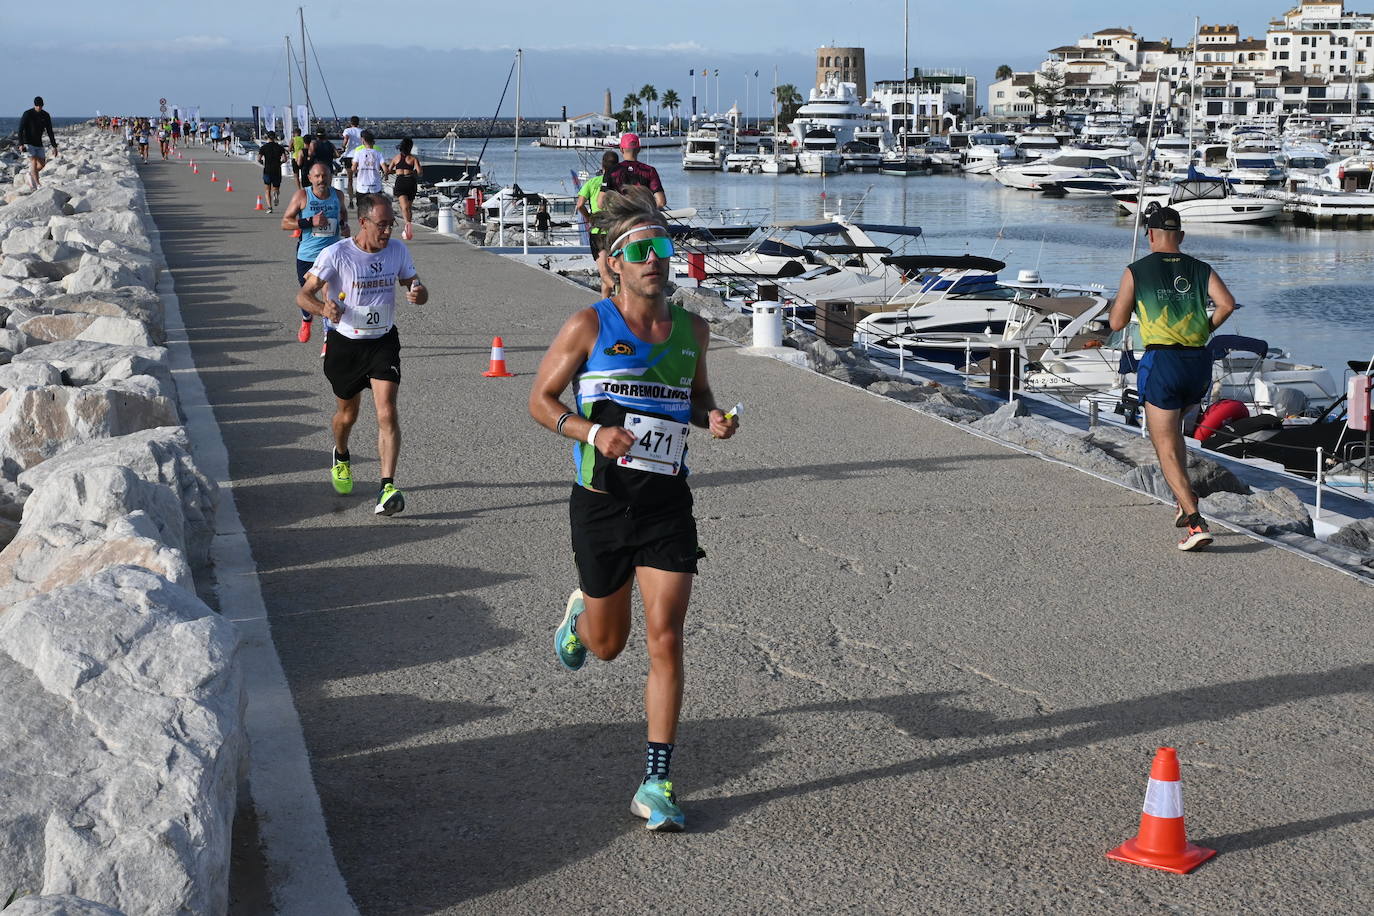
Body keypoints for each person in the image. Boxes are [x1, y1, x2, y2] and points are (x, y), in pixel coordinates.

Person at [527, 187, 739, 832]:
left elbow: (698, 396)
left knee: (666, 638)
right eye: (641, 249)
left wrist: (714, 420)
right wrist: (591, 433)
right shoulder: (588, 326)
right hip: (600, 503)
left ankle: (656, 781)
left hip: (667, 503)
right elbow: (540, 399)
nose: (657, 259)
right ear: (613, 265)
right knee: (609, 645)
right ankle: (581, 615)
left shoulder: (693, 330)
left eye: (664, 246)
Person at [1109, 205, 1236, 551]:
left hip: (1162, 360)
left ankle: (1195, 521)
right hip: (1198, 362)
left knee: (1163, 445)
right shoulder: (1200, 268)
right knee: (1175, 433)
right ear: (1180, 236)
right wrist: (1201, 329)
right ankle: (1183, 500)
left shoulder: (1137, 270)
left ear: (1150, 235)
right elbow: (1226, 304)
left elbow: (1117, 323)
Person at [296, 193, 427, 516]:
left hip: (382, 341)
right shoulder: (336, 254)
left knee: (387, 411)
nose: (387, 232)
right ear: (363, 222)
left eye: (391, 225)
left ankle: (387, 487)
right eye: (381, 225)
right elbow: (303, 295)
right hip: (346, 344)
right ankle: (341, 454)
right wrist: (323, 309)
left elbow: (414, 285)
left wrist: (419, 293)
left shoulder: (397, 250)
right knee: (347, 415)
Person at [282, 161, 351, 345]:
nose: (321, 179)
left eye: (325, 175)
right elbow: (285, 223)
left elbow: (343, 214)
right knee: (308, 296)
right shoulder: (302, 195)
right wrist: (309, 221)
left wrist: (344, 226)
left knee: (329, 295)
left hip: (332, 255)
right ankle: (306, 320)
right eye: (318, 176)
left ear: (330, 177)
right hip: (307, 256)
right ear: (310, 178)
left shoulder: (338, 195)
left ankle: (328, 338)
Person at [575, 150, 619, 299]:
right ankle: (604, 304)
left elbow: (580, 204)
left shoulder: (592, 183)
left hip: (598, 231)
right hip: (617, 230)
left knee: (605, 273)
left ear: (602, 165)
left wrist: (588, 218)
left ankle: (618, 290)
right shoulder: (620, 184)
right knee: (611, 272)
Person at [598, 133, 667, 210]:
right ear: (639, 149)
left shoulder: (611, 171)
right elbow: (661, 202)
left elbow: (600, 203)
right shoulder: (649, 171)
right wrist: (644, 210)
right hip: (642, 218)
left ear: (621, 149)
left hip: (621, 218)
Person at [18, 97, 58, 190]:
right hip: (28, 142)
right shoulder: (27, 114)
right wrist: (21, 144)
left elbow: (50, 131)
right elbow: (20, 129)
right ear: (34, 105)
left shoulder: (45, 115)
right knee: (33, 161)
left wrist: (54, 146)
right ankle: (38, 185)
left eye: (40, 106)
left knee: (42, 164)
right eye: (37, 106)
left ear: (43, 105)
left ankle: (30, 174)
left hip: (38, 143)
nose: (39, 107)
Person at [387, 137, 423, 241]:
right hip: (410, 182)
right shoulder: (413, 159)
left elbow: (389, 171)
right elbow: (420, 172)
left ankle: (408, 228)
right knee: (408, 208)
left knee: (405, 208)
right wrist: (412, 171)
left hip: (401, 182)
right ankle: (408, 228)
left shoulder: (396, 158)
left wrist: (397, 171)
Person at [349, 130, 385, 209]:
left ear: (363, 140)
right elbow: (385, 168)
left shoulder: (358, 152)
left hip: (362, 186)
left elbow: (353, 168)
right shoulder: (378, 152)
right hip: (375, 185)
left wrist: (357, 170)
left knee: (362, 209)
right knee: (375, 208)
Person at [257, 131, 288, 212]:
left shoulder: (264, 147)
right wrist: (280, 163)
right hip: (277, 170)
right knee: (276, 188)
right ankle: (276, 194)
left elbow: (258, 158)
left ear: (267, 137)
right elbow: (285, 159)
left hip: (267, 170)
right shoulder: (280, 147)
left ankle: (270, 207)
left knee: (267, 189)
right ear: (275, 137)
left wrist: (262, 163)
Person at [341, 116, 363, 204]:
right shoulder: (362, 131)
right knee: (360, 178)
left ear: (351, 123)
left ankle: (350, 200)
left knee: (350, 179)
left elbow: (346, 138)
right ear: (358, 123)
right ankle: (359, 198)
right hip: (360, 156)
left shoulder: (348, 130)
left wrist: (343, 146)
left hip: (349, 156)